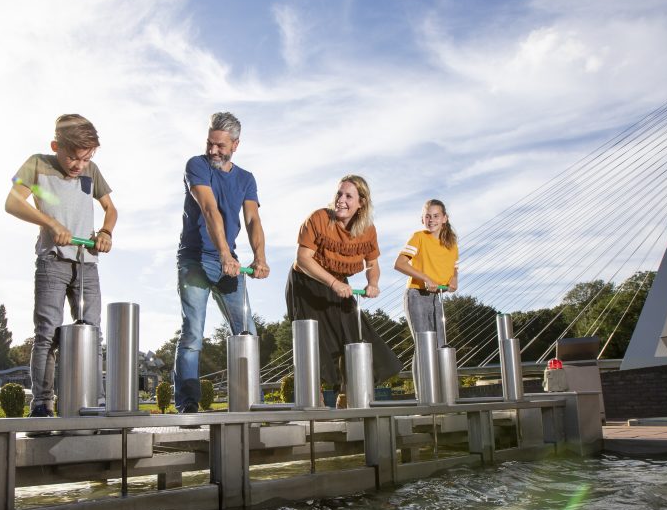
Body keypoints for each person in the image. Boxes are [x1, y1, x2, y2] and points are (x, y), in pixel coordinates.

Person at [4, 114, 118, 417]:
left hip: (87, 263)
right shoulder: (37, 164)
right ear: (56, 145)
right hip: (52, 261)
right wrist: (50, 222)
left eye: (85, 159)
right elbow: (13, 202)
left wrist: (106, 232)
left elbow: (110, 209)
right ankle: (42, 403)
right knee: (47, 334)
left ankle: (97, 401)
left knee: (92, 333)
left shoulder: (91, 171)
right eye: (73, 158)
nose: (78, 165)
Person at [173, 111, 269, 413]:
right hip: (195, 259)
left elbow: (252, 218)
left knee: (246, 331)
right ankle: (188, 403)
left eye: (220, 146)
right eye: (210, 143)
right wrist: (226, 254)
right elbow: (209, 209)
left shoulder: (246, 178)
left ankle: (251, 400)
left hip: (229, 262)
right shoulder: (197, 165)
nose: (213, 150)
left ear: (235, 145)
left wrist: (260, 258)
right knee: (192, 333)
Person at [286, 175, 403, 400]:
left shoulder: (367, 230)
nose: (341, 200)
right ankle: (313, 397)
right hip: (306, 282)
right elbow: (303, 258)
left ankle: (347, 393)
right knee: (314, 339)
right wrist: (333, 283)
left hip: (338, 282)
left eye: (349, 196)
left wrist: (373, 283)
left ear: (361, 203)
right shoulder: (319, 218)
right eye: (339, 194)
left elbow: (372, 264)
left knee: (353, 332)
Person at [394, 199, 459, 386]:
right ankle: (423, 395)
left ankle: (440, 393)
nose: (431, 220)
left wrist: (454, 279)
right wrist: (425, 278)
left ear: (444, 218)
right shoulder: (419, 237)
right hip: (416, 295)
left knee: (439, 346)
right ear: (422, 219)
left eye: (436, 216)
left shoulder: (452, 244)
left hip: (436, 298)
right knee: (424, 346)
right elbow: (399, 263)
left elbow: (454, 267)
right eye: (427, 216)